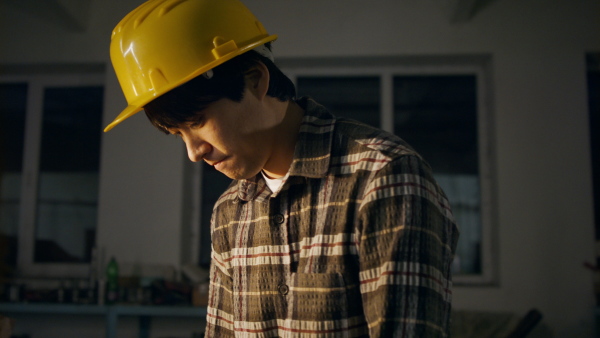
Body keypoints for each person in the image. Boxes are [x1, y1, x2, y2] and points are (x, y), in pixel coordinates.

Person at [104, 0, 459, 336]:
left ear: (255, 80)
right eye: (176, 134)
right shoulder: (229, 213)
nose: (194, 152)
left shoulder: (382, 178)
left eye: (197, 121)